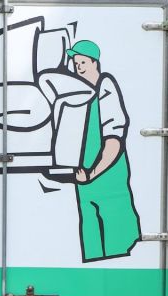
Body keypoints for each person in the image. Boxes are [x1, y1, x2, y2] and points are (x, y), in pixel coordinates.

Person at [67, 39, 142, 262]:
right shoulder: (80, 95)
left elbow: (114, 140)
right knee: (91, 238)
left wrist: (93, 172)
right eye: (75, 62)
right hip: (85, 179)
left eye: (82, 62)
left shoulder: (105, 88)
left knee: (118, 240)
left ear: (94, 62)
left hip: (107, 177)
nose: (78, 66)